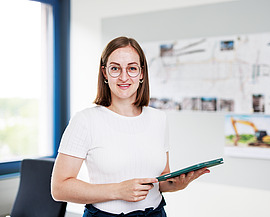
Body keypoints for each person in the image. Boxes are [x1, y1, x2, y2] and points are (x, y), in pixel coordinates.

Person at [51, 36, 210, 217]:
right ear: (105, 73)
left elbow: (161, 180)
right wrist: (117, 190)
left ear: (142, 73)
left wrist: (177, 184)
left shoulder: (159, 119)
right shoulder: (85, 120)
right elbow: (59, 188)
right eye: (115, 68)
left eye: (132, 68)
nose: (124, 77)